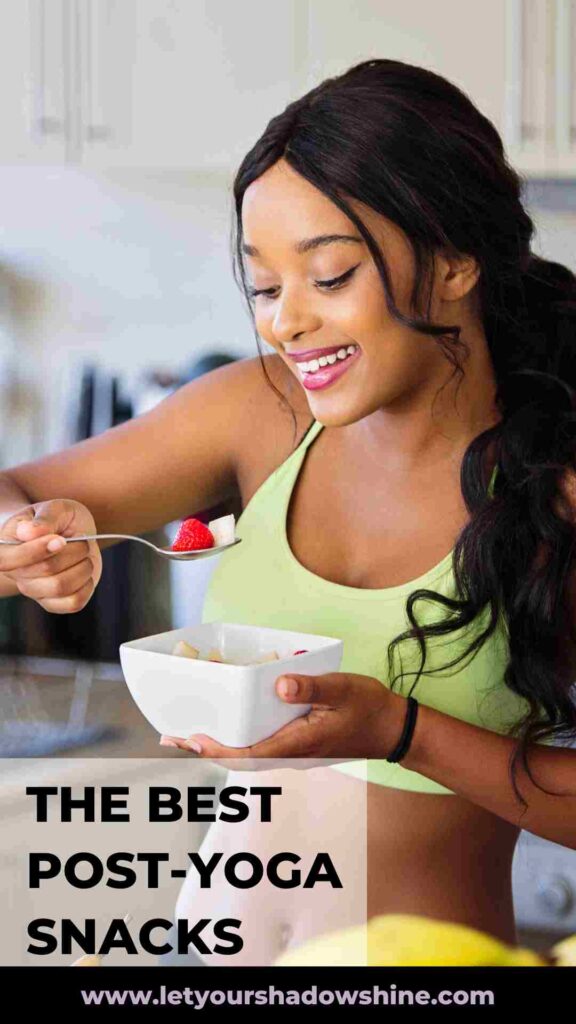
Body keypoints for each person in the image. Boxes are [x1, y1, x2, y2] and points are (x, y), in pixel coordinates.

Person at [0, 58, 575, 965]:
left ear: (458, 261)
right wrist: (22, 539)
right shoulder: (262, 412)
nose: (284, 323)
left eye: (330, 275)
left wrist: (401, 731)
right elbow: (15, 491)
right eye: (266, 288)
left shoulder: (551, 483)